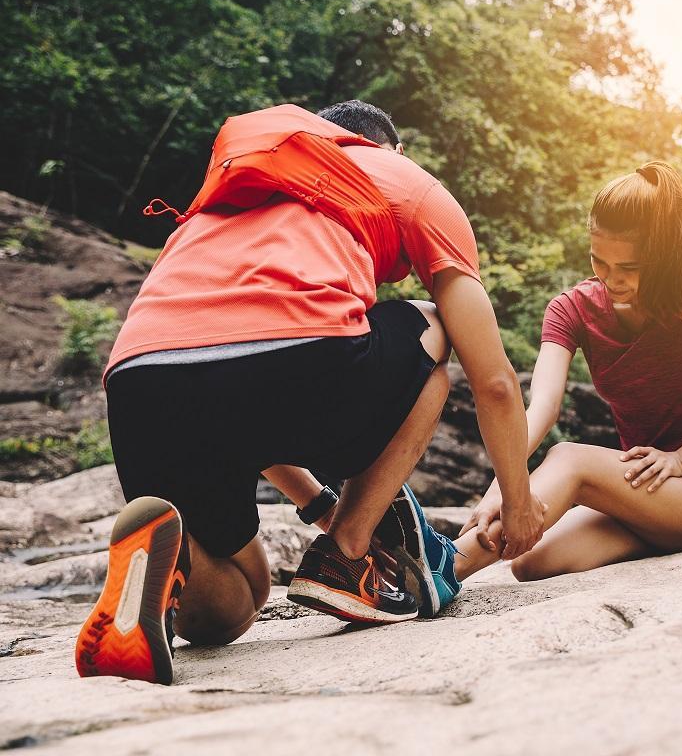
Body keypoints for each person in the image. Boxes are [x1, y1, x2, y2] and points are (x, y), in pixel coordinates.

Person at [75, 100, 543, 685]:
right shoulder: (405, 180)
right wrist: (519, 505)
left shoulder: (251, 175)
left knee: (240, 602)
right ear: (393, 152)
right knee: (432, 327)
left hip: (140, 379)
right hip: (282, 361)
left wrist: (319, 504)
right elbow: (494, 380)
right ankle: (346, 558)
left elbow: (241, 384)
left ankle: (172, 562)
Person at [448, 161, 682, 584]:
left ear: (662, 256)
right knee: (530, 562)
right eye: (599, 261)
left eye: (630, 268)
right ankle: (659, 529)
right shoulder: (570, 309)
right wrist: (502, 488)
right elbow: (543, 408)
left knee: (569, 458)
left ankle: (442, 569)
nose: (611, 279)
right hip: (644, 492)